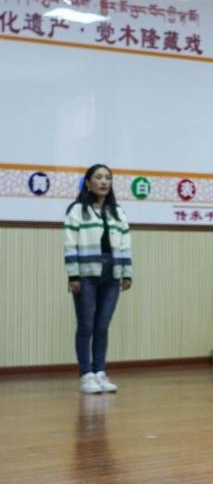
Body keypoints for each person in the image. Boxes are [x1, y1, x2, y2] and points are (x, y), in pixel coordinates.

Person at [64, 164, 133, 394]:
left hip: (112, 272)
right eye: (99, 177)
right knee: (86, 325)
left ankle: (100, 371)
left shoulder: (117, 211)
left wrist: (126, 273)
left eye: (108, 178)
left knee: (102, 325)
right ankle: (86, 374)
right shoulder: (77, 210)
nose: (104, 182)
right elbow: (70, 244)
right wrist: (73, 275)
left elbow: (125, 243)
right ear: (88, 182)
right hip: (85, 273)